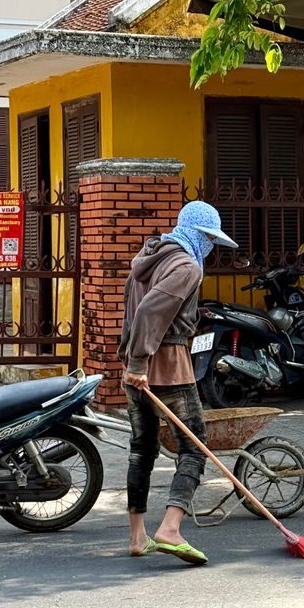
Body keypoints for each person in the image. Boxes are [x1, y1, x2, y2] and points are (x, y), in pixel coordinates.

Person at [118, 200, 238, 564]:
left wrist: (131, 361)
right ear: (197, 235)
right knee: (195, 444)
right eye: (208, 239)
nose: (210, 247)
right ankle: (170, 527)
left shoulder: (151, 253)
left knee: (143, 448)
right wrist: (140, 360)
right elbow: (149, 310)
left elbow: (133, 307)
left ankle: (138, 537)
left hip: (134, 364)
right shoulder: (186, 266)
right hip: (166, 364)